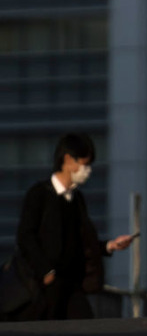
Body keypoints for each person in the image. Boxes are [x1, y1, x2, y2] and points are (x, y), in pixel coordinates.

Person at [14, 133, 135, 320]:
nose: (87, 171)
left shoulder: (77, 199)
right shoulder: (39, 194)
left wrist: (109, 246)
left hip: (73, 285)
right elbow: (25, 236)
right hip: (45, 286)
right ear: (68, 160)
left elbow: (81, 241)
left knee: (85, 327)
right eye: (84, 164)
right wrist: (46, 271)